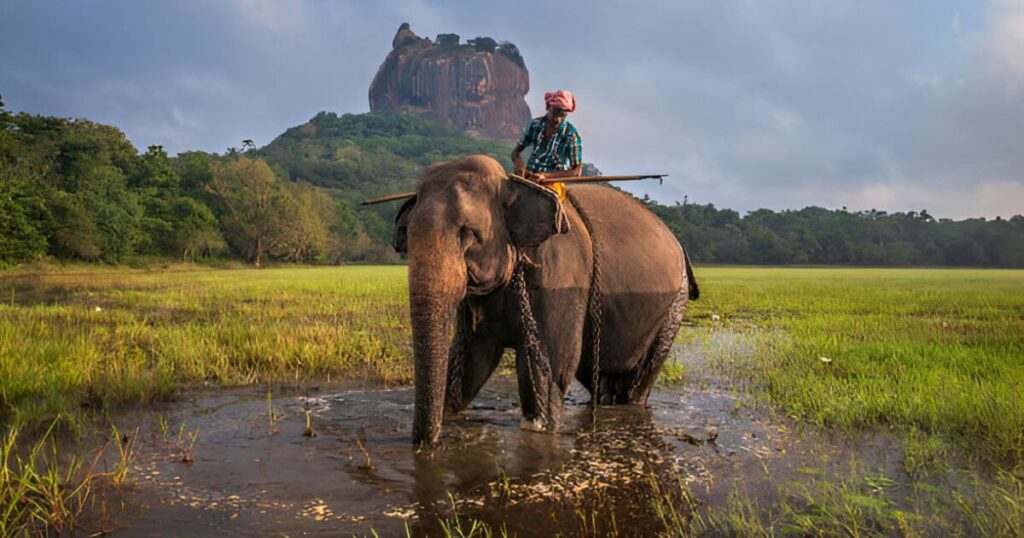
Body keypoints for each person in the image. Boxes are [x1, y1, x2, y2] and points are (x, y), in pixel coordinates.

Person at [511, 90, 582, 201]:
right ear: (548, 107)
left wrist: (546, 176)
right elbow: (516, 152)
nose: (558, 119)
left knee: (545, 207)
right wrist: (518, 163)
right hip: (528, 177)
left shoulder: (571, 135)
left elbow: (576, 171)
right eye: (556, 112)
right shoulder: (535, 125)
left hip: (551, 183)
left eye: (562, 115)